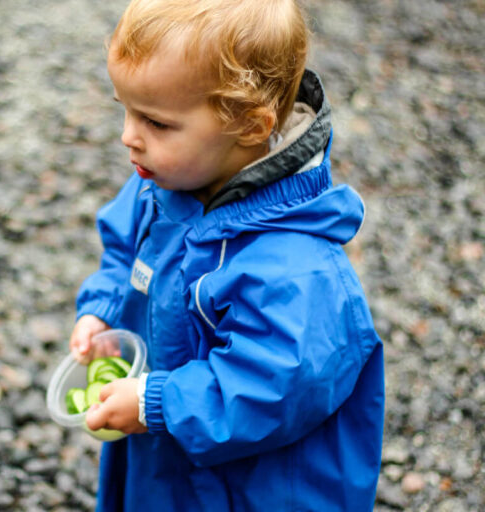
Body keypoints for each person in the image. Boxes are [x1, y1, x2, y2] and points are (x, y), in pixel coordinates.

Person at [69, 0, 384, 510]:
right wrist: (103, 310)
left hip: (245, 487)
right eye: (124, 110)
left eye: (156, 122)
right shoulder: (164, 185)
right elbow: (124, 249)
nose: (128, 137)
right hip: (167, 462)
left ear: (251, 126)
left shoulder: (294, 268)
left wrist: (156, 403)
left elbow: (274, 386)